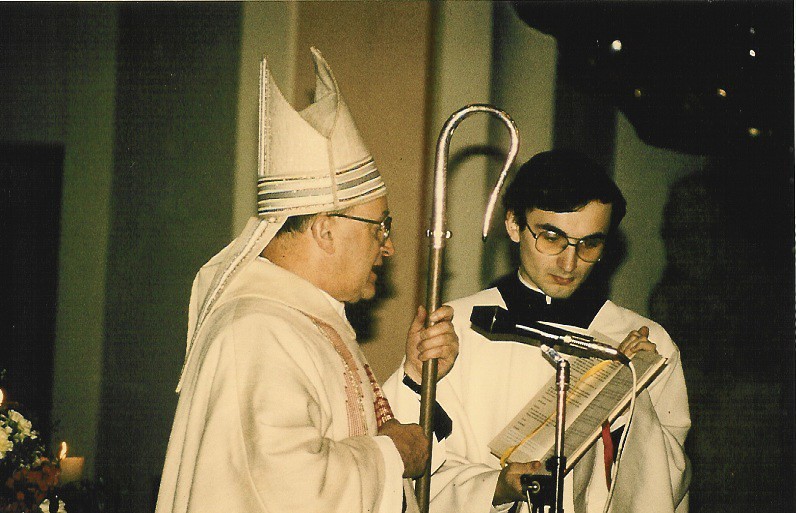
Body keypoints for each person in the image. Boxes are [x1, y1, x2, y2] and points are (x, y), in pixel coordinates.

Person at [154, 48, 458, 513]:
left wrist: (415, 377)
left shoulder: (304, 319)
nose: (389, 246)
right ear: (324, 229)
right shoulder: (255, 330)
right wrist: (391, 456)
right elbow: (285, 487)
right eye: (380, 226)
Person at [384, 150, 691, 513]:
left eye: (590, 243)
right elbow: (407, 462)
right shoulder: (458, 328)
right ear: (514, 224)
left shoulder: (646, 342)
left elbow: (666, 483)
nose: (569, 262)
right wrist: (495, 487)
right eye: (551, 237)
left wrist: (628, 393)